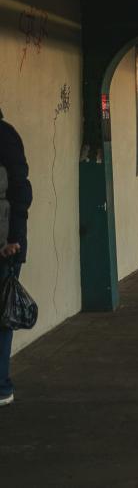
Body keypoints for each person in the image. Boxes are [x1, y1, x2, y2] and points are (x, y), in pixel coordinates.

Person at [1, 106, 32, 407]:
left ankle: (1, 385)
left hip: (6, 247)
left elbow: (19, 193)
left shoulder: (4, 138)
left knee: (2, 315)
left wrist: (13, 239)